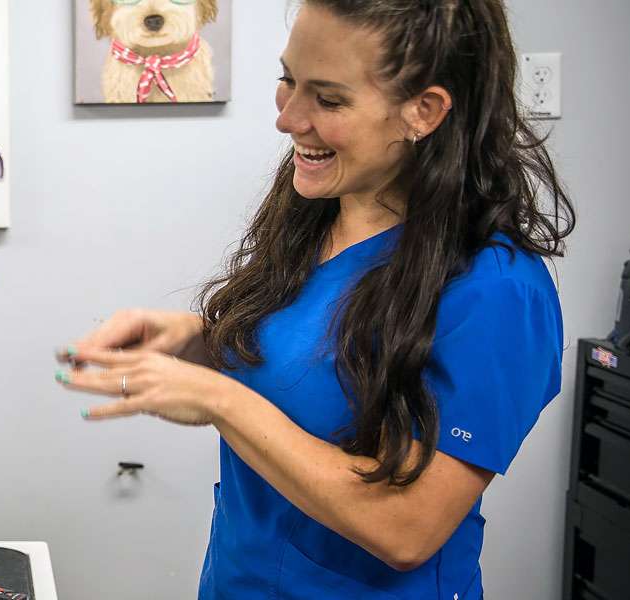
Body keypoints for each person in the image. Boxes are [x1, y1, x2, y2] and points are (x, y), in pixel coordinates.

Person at [55, 0, 574, 598]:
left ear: (423, 112)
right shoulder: (319, 210)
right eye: (287, 80)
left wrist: (220, 399)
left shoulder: (496, 290)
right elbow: (316, 363)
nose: (288, 118)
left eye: (328, 99)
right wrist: (200, 342)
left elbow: (407, 528)